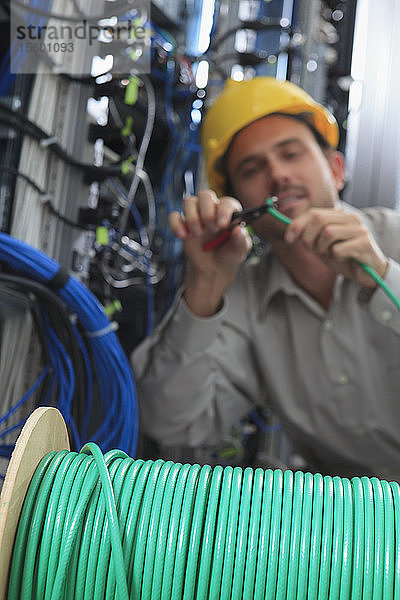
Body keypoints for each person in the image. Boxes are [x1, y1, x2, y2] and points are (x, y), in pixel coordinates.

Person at [132, 77, 400, 480]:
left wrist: (383, 276)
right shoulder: (246, 299)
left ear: (336, 169)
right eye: (252, 168)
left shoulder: (394, 239)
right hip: (354, 529)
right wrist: (206, 284)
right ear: (238, 202)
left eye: (291, 154)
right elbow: (170, 422)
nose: (278, 175)